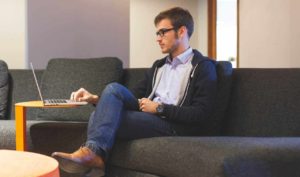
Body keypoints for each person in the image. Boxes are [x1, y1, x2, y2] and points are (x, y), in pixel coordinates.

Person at [52, 6, 217, 176]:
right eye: (157, 34)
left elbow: (201, 113)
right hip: (149, 115)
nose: (158, 39)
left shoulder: (202, 66)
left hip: (174, 125)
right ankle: (93, 156)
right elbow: (130, 96)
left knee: (99, 117)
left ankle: (92, 157)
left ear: (181, 31)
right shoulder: (159, 66)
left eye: (163, 32)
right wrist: (94, 98)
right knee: (113, 90)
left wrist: (159, 108)